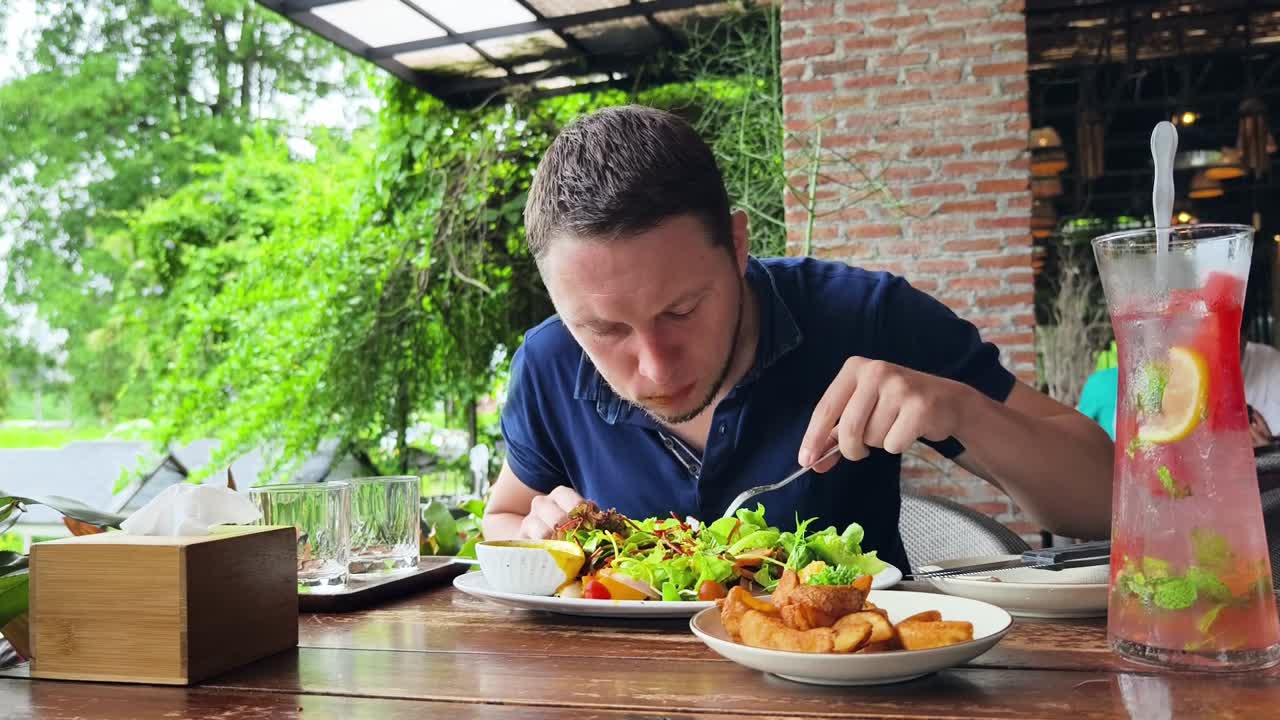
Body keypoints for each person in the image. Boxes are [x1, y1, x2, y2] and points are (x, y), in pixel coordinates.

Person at [481, 106, 1113, 570]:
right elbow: (502, 518)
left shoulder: (866, 317)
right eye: (605, 329)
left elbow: (1106, 502)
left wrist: (962, 408)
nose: (654, 368)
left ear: (735, 246)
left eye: (681, 310)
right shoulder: (547, 363)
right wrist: (539, 538)